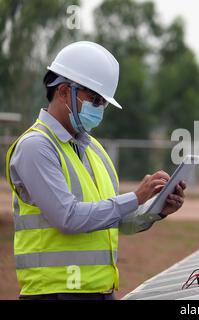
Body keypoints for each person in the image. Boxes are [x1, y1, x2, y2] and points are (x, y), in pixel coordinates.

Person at [5, 41, 186, 300]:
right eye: (95, 99)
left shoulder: (93, 149)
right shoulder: (36, 147)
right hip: (54, 294)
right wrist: (136, 197)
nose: (100, 108)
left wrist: (156, 210)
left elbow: (116, 220)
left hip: (100, 292)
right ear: (65, 91)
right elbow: (68, 218)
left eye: (104, 102)